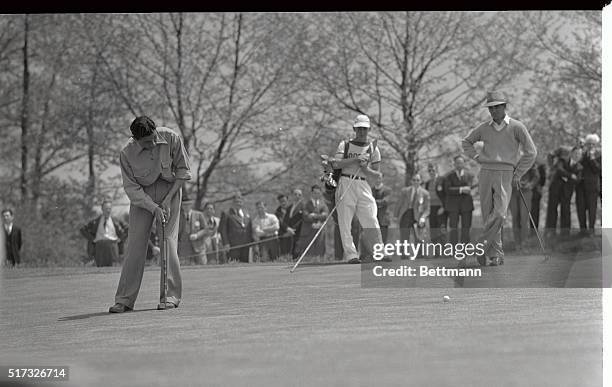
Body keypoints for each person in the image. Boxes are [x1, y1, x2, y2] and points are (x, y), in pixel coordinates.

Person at [109, 116, 191, 313]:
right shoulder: (126, 154)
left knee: (167, 242)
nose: (153, 143)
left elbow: (183, 170)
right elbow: (132, 189)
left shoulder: (171, 137)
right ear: (135, 139)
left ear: (156, 130)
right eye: (147, 142)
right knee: (135, 245)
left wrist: (168, 199)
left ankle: (169, 297)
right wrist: (153, 207)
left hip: (170, 192)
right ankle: (124, 300)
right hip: (142, 198)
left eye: (154, 138)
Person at [462, 91, 537, 266]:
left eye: (497, 107)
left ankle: (481, 245)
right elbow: (466, 142)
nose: (493, 111)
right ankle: (495, 255)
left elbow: (531, 152)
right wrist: (476, 157)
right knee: (489, 213)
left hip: (506, 173)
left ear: (504, 107)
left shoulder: (517, 127)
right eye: (490, 108)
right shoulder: (483, 128)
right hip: (486, 172)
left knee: (500, 214)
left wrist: (518, 173)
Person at [327, 114, 383, 263]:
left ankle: (379, 252)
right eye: (359, 129)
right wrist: (356, 159)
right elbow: (336, 164)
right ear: (354, 129)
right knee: (345, 221)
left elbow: (377, 176)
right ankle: (351, 255)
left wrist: (365, 168)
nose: (362, 132)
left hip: (363, 183)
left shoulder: (374, 149)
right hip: (346, 182)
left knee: (371, 218)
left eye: (365, 129)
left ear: (369, 129)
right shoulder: (344, 145)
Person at [80, 200, 128, 267]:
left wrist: (121, 239)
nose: (108, 210)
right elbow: (82, 229)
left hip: (113, 246)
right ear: (102, 209)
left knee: (113, 267)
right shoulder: (95, 221)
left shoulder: (116, 221)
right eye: (106, 209)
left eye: (109, 208)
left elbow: (128, 229)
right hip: (99, 246)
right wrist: (92, 239)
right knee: (100, 267)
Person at [443, 155, 474, 246]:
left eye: (461, 162)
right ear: (454, 164)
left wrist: (458, 189)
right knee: (453, 228)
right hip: (453, 206)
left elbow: (470, 188)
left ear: (464, 164)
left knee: (466, 228)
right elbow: (447, 190)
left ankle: (465, 249)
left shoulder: (470, 175)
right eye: (457, 163)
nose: (459, 164)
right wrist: (461, 189)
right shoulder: (448, 176)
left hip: (466, 205)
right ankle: (454, 249)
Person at [394, 173, 430, 250]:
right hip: (406, 214)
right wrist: (395, 216)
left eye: (418, 180)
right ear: (411, 181)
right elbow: (399, 203)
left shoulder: (425, 193)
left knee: (419, 236)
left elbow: (427, 209)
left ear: (420, 181)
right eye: (414, 180)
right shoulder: (405, 191)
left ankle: (419, 255)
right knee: (404, 236)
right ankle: (404, 254)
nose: (416, 182)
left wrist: (423, 218)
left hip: (418, 216)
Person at [509, 164, 540, 250]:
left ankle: (524, 243)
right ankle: (517, 243)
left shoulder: (527, 158)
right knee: (515, 218)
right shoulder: (510, 157)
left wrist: (530, 184)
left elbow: (536, 176)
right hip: (513, 191)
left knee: (524, 218)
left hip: (526, 191)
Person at [545, 146, 573, 239]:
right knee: (552, 209)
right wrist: (552, 166)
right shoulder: (558, 161)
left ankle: (565, 233)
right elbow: (550, 155)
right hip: (555, 185)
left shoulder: (573, 158)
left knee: (565, 209)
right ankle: (551, 232)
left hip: (566, 187)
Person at [294, 185, 329, 258]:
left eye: (318, 193)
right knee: (308, 255)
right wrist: (318, 217)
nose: (317, 195)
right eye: (315, 193)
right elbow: (306, 216)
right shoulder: (305, 204)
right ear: (311, 193)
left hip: (320, 232)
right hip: (308, 232)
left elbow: (325, 216)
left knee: (320, 253)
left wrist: (314, 215)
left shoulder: (323, 204)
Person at [219, 193, 253, 263]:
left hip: (246, 244)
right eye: (236, 202)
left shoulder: (246, 213)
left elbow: (250, 228)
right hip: (233, 246)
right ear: (233, 202)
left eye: (240, 202)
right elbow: (222, 230)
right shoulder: (226, 213)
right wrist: (226, 243)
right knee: (233, 265)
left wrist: (251, 241)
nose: (238, 203)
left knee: (245, 265)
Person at [177, 195, 208, 265]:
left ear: (191, 205)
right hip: (184, 248)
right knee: (184, 268)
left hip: (199, 247)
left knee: (202, 266)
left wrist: (197, 235)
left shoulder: (199, 215)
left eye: (188, 205)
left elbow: (206, 229)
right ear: (181, 206)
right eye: (184, 205)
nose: (186, 207)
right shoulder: (179, 217)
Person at [580, 133, 601, 235]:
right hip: (582, 185)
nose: (591, 146)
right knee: (582, 208)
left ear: (596, 144)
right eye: (589, 144)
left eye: (593, 144)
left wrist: (592, 158)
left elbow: (598, 169)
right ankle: (583, 230)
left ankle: (591, 230)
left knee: (592, 209)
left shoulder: (599, 154)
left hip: (593, 186)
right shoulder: (583, 154)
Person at [424, 163, 447, 244]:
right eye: (429, 171)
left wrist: (443, 207)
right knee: (433, 229)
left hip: (440, 208)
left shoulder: (442, 180)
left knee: (441, 229)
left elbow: (446, 195)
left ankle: (444, 251)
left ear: (436, 170)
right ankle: (436, 251)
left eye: (433, 170)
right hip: (431, 208)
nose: (431, 172)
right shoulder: (427, 183)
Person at [286, 188, 305, 260]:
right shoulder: (289, 207)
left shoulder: (303, 206)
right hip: (289, 231)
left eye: (299, 195)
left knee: (296, 250)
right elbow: (287, 219)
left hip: (298, 231)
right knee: (290, 249)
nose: (297, 196)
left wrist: (294, 228)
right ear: (292, 196)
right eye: (295, 194)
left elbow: (302, 219)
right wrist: (287, 228)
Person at [372, 174, 391, 244]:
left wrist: (372, 201)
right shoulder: (370, 190)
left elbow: (385, 202)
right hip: (373, 219)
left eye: (379, 178)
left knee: (383, 240)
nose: (377, 180)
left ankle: (382, 254)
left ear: (382, 179)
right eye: (376, 178)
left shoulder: (387, 190)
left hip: (383, 219)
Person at [530, 159, 547, 235]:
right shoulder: (523, 162)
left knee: (534, 212)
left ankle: (534, 231)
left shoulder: (540, 165)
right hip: (525, 191)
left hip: (536, 192)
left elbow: (543, 179)